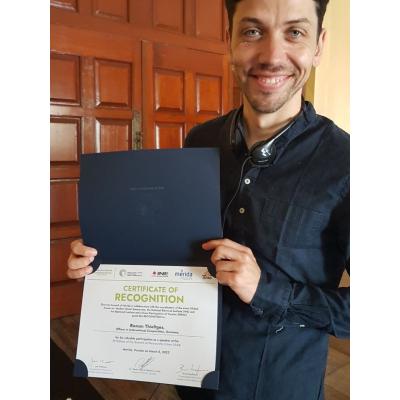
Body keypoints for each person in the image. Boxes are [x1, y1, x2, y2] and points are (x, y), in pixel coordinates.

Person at [67, 0, 349, 399]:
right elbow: (175, 245)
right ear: (229, 41)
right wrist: (106, 258)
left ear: (318, 44)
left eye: (295, 32)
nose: (271, 55)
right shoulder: (200, 141)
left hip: (277, 385)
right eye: (252, 31)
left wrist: (266, 290)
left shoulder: (350, 163)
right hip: (192, 373)